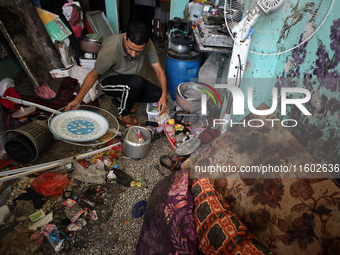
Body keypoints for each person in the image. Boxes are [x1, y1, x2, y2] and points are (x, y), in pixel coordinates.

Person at [66, 21, 168, 127]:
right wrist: (78, 100)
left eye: (138, 52)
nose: (133, 54)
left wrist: (164, 96)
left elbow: (159, 71)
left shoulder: (148, 44)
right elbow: (93, 75)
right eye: (130, 49)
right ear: (125, 37)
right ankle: (122, 114)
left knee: (158, 94)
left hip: (130, 80)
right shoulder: (110, 50)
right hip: (108, 81)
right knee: (136, 82)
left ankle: (122, 99)